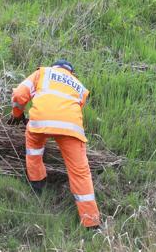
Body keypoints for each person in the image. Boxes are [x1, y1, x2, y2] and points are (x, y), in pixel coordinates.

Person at [9, 60, 101, 228]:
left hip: (40, 122)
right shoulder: (79, 86)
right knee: (80, 172)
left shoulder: (43, 73)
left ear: (54, 67)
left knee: (34, 152)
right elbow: (74, 108)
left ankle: (38, 187)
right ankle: (91, 223)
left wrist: (17, 114)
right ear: (71, 73)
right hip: (70, 128)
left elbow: (19, 94)